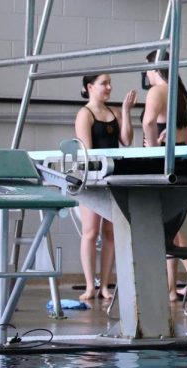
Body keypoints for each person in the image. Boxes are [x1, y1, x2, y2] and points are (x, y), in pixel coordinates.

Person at [140, 50, 187, 302]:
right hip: (180, 163)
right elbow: (186, 136)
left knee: (165, 226)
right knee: (171, 226)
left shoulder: (157, 91)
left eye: (147, 69)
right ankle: (175, 286)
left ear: (156, 68)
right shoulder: (181, 94)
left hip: (162, 163)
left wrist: (152, 153)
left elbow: (148, 122)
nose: (146, 75)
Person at [74, 73, 135, 302]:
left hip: (113, 178)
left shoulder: (114, 113)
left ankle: (105, 285)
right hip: (92, 179)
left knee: (110, 232)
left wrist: (126, 112)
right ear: (90, 87)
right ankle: (91, 285)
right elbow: (86, 150)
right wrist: (92, 178)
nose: (109, 87)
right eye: (104, 84)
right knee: (90, 232)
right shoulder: (85, 114)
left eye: (110, 83)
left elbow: (127, 141)